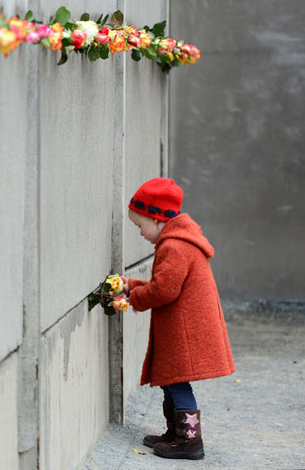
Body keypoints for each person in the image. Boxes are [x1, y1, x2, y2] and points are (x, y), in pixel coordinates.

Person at [121, 177, 235, 460]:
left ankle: (190, 441)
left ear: (158, 219)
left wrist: (131, 298)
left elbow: (163, 290)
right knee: (170, 381)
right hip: (181, 329)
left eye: (140, 225)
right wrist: (130, 284)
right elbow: (164, 283)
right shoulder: (178, 242)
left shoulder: (175, 246)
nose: (140, 233)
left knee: (177, 382)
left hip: (184, 333)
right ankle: (176, 433)